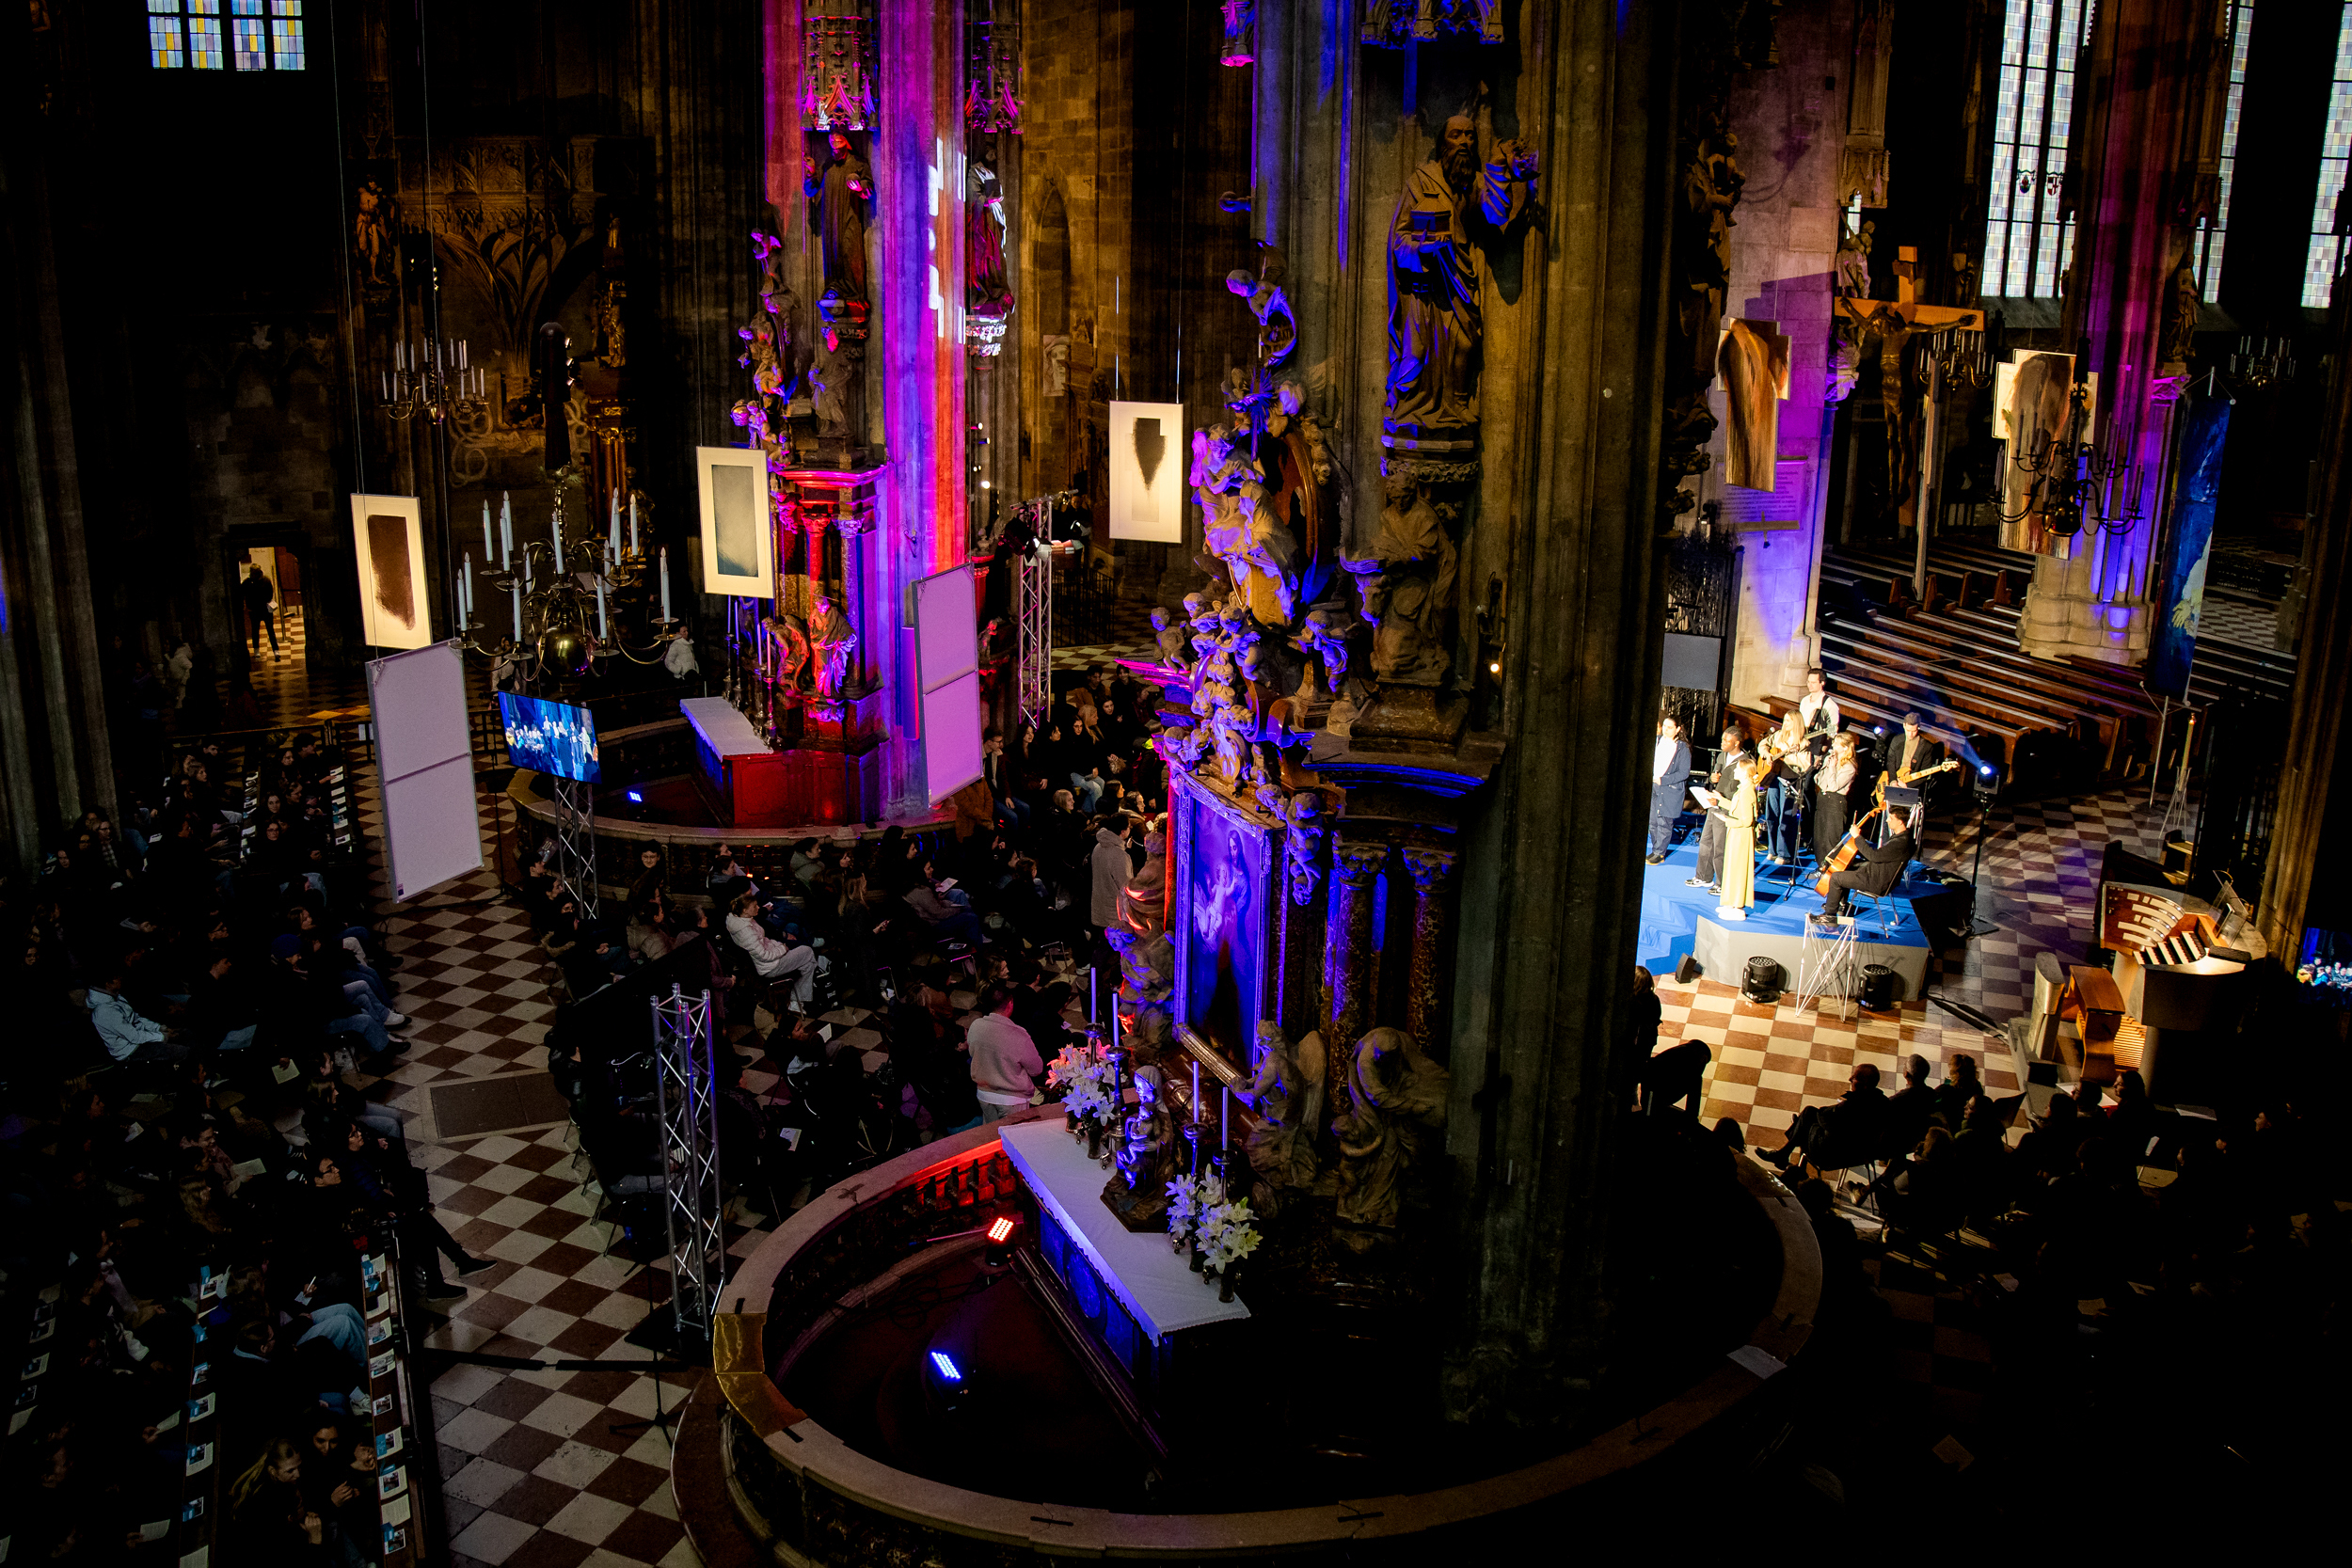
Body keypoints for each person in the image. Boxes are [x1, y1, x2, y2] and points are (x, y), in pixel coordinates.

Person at [1761, 1062, 1889, 1172]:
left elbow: (1823, 1116)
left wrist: (1835, 1107)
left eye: (1854, 1078)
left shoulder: (1852, 1105)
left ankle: (1789, 1162)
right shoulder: (1884, 1103)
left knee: (1806, 1117)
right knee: (1805, 1121)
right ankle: (1785, 1156)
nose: (1850, 1079)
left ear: (1864, 1085)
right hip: (1860, 1154)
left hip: (1832, 1155)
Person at [1815, 805, 1916, 923]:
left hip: (1876, 881)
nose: (1887, 820)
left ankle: (1829, 916)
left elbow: (1874, 856)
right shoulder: (1905, 837)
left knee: (1836, 877)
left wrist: (1857, 837)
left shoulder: (1900, 843)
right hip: (1878, 873)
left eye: (1891, 818)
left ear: (1900, 822)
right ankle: (1841, 905)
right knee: (1847, 865)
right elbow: (1882, 855)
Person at [725, 890, 822, 1007]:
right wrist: (782, 949)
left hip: (771, 959)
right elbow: (763, 955)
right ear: (745, 910)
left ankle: (795, 1000)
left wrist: (779, 945)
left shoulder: (745, 921)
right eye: (754, 906)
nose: (758, 908)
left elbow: (764, 941)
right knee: (807, 951)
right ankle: (796, 999)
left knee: (808, 965)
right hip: (769, 967)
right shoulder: (746, 931)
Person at [1687, 726, 1752, 894]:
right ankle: (1703, 876)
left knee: (1720, 847)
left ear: (1736, 743)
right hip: (1713, 805)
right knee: (1706, 841)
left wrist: (1723, 799)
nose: (1722, 743)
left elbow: (1743, 789)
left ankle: (1722, 884)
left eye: (1727, 741)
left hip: (1727, 808)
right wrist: (1713, 778)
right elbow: (1715, 777)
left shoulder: (1745, 762)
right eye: (1722, 739)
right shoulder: (1722, 756)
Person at [967, 985, 1043, 1123]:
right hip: (1012, 1099)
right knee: (1015, 1133)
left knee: (991, 1134)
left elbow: (973, 1053)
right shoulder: (1019, 1035)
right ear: (1010, 1003)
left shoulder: (975, 1025)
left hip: (984, 1095)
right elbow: (1036, 1069)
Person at [1710, 757, 1761, 919]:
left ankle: (1738, 906)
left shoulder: (1747, 792)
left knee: (1738, 870)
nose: (1735, 771)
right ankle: (1731, 903)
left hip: (1741, 835)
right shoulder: (1743, 788)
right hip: (1736, 834)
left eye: (1738, 769)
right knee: (1732, 868)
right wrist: (1720, 800)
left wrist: (1726, 820)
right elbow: (1736, 807)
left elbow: (1747, 821)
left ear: (1745, 773)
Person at [1811, 732, 1860, 863]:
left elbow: (1833, 787)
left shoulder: (1849, 767)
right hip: (1823, 799)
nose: (1833, 746)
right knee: (1819, 838)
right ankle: (1821, 866)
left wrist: (1832, 768)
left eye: (1837, 744)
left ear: (1845, 747)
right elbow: (1818, 779)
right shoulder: (1831, 759)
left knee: (1830, 840)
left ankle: (1831, 868)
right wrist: (1827, 766)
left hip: (1835, 803)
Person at [1646, 715, 1690, 864]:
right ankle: (1655, 849)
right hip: (1654, 786)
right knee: (1652, 821)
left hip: (1669, 788)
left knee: (1664, 822)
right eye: (1664, 726)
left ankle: (1660, 853)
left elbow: (1683, 773)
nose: (1666, 730)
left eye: (1670, 727)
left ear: (1678, 729)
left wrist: (1663, 780)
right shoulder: (1657, 741)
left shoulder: (1682, 748)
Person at [241, 564, 279, 658]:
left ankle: (274, 650)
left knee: (269, 630)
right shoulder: (250, 582)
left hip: (262, 608)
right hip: (256, 609)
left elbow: (270, 594)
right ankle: (258, 649)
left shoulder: (262, 581)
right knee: (256, 630)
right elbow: (242, 593)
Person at [1796, 667, 1841, 738]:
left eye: (1813, 683)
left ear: (1822, 683)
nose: (1809, 685)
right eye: (1808, 682)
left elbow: (1832, 733)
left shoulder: (1829, 705)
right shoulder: (1804, 701)